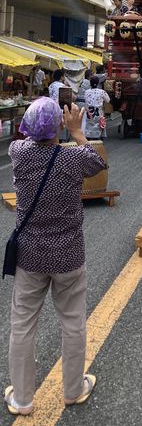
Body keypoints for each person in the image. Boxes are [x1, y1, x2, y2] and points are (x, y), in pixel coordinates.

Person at [4, 99, 105, 416]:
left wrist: (48, 125)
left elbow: (25, 137)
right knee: (73, 322)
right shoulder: (73, 158)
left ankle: (21, 399)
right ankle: (74, 390)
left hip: (30, 255)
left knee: (22, 325)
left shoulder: (18, 154)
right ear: (59, 126)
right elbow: (97, 162)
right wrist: (76, 130)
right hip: (68, 254)